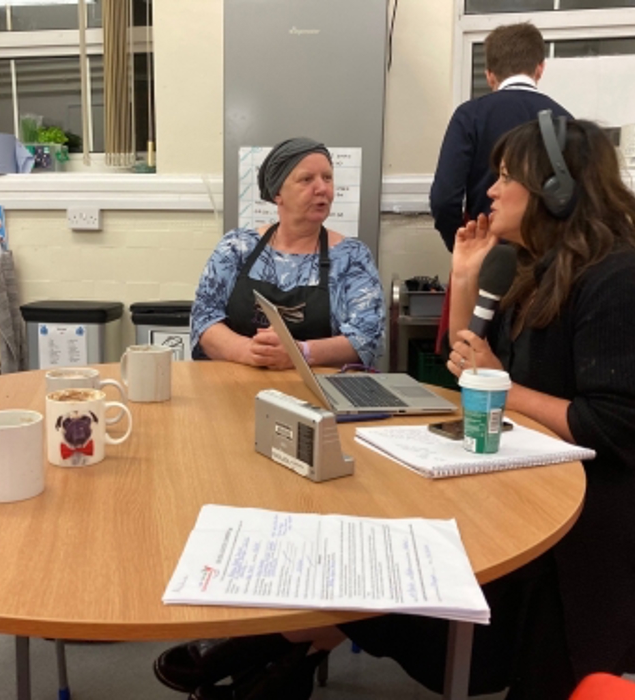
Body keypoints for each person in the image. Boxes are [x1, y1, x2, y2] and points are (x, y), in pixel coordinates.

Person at [154, 117, 635, 700]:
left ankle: (277, 647)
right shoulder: (530, 271)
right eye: (306, 178)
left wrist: (498, 381)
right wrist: (463, 278)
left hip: (577, 525)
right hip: (517, 469)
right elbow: (470, 371)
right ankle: (282, 654)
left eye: (505, 176)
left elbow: (606, 422)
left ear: (555, 190)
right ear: (276, 190)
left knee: (394, 566)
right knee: (371, 548)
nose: (489, 189)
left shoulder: (614, 278)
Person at [189, 137, 385, 368]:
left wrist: (301, 353)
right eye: (306, 179)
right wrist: (250, 352)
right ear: (277, 193)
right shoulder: (237, 247)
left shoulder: (352, 256)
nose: (322, 188)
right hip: (235, 386)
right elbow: (204, 318)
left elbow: (368, 336)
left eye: (327, 177)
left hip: (319, 393)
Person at [430, 22, 571, 252]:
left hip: (486, 252)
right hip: (548, 257)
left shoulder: (469, 116)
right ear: (540, 69)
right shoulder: (566, 121)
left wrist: (461, 243)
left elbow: (444, 199)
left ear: (489, 75)